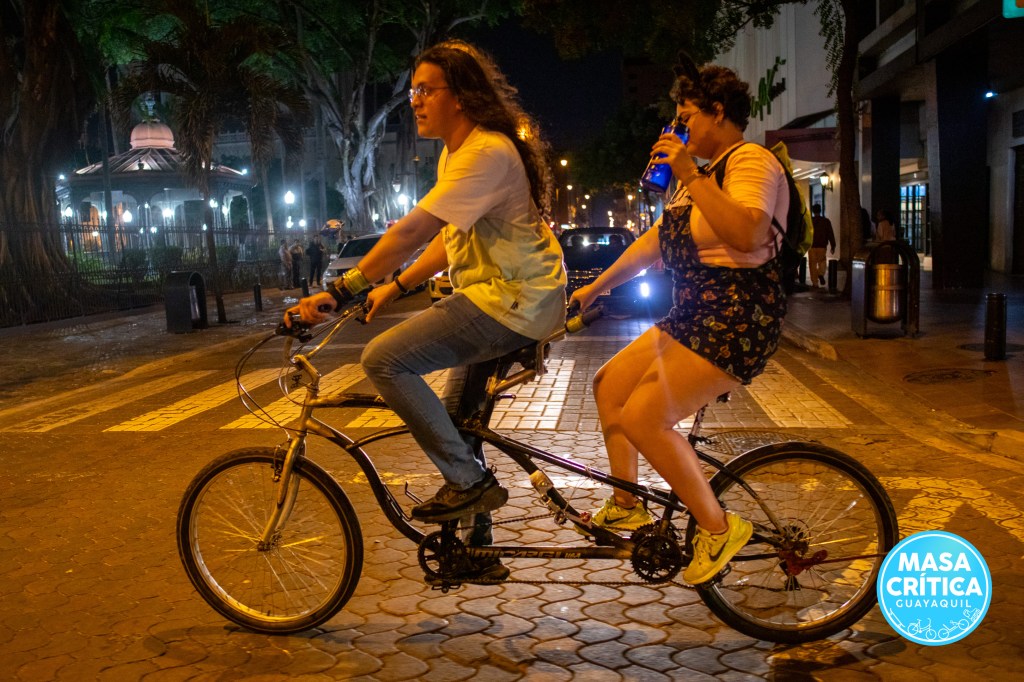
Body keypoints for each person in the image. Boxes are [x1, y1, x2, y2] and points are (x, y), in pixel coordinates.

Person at [285, 39, 566, 584]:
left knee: (385, 359)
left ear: (459, 96)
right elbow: (444, 239)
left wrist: (344, 289)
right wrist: (395, 285)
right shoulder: (459, 152)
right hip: (504, 297)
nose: (414, 101)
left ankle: (467, 482)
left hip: (511, 299)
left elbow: (412, 230)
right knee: (462, 426)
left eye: (425, 90)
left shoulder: (485, 152)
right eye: (412, 90)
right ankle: (477, 551)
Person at [568, 58, 788, 585]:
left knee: (646, 417)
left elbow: (751, 234)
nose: (679, 128)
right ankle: (627, 504)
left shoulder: (750, 162)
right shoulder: (701, 177)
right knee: (609, 386)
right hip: (693, 314)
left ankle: (716, 528)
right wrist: (598, 286)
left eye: (687, 116)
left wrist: (689, 171)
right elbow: (655, 242)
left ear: (718, 112)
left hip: (736, 317)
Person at [809, 203, 836, 288]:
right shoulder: (826, 221)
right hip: (822, 245)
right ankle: (821, 273)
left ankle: (815, 283)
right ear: (820, 210)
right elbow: (830, 234)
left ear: (813, 211)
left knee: (812, 264)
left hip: (812, 245)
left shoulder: (810, 221)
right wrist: (833, 245)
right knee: (822, 261)